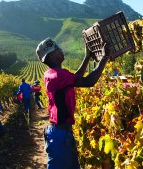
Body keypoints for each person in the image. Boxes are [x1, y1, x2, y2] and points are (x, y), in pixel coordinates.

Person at [36, 37, 111, 169]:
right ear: (52, 55)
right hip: (60, 135)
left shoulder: (51, 74)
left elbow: (75, 79)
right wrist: (105, 57)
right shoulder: (58, 75)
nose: (61, 50)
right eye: (58, 49)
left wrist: (87, 57)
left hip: (59, 132)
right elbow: (89, 81)